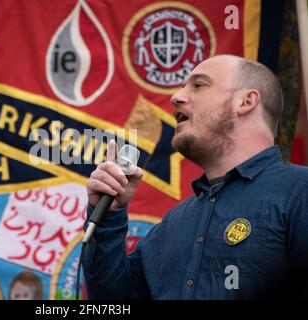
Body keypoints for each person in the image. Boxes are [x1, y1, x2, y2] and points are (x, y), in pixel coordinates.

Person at [83, 54, 308, 299]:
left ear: (246, 101)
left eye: (199, 85)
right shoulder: (172, 224)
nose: (176, 97)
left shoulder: (300, 191)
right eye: (181, 88)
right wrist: (109, 215)